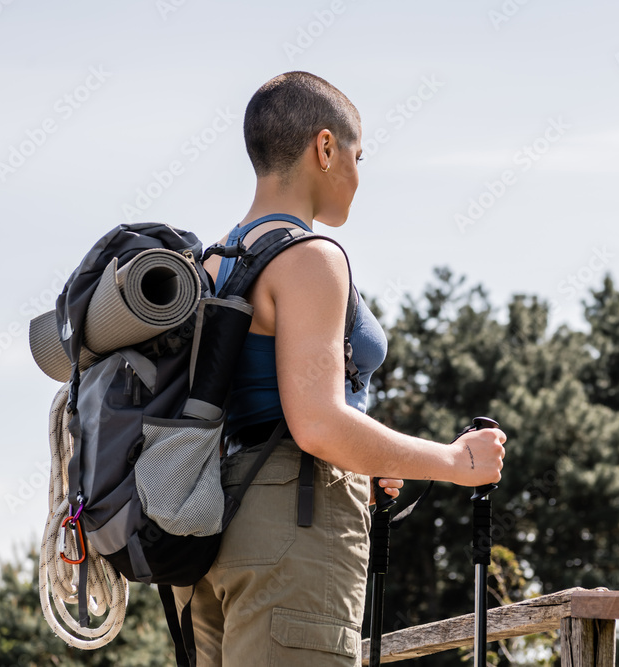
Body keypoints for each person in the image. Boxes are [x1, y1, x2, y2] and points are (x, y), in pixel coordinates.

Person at [171, 71, 507, 666]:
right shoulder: (310, 258)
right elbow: (318, 425)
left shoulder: (214, 260)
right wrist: (457, 463)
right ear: (325, 148)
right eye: (357, 155)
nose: (358, 174)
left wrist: (371, 463)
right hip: (292, 526)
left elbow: (255, 403)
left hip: (211, 527)